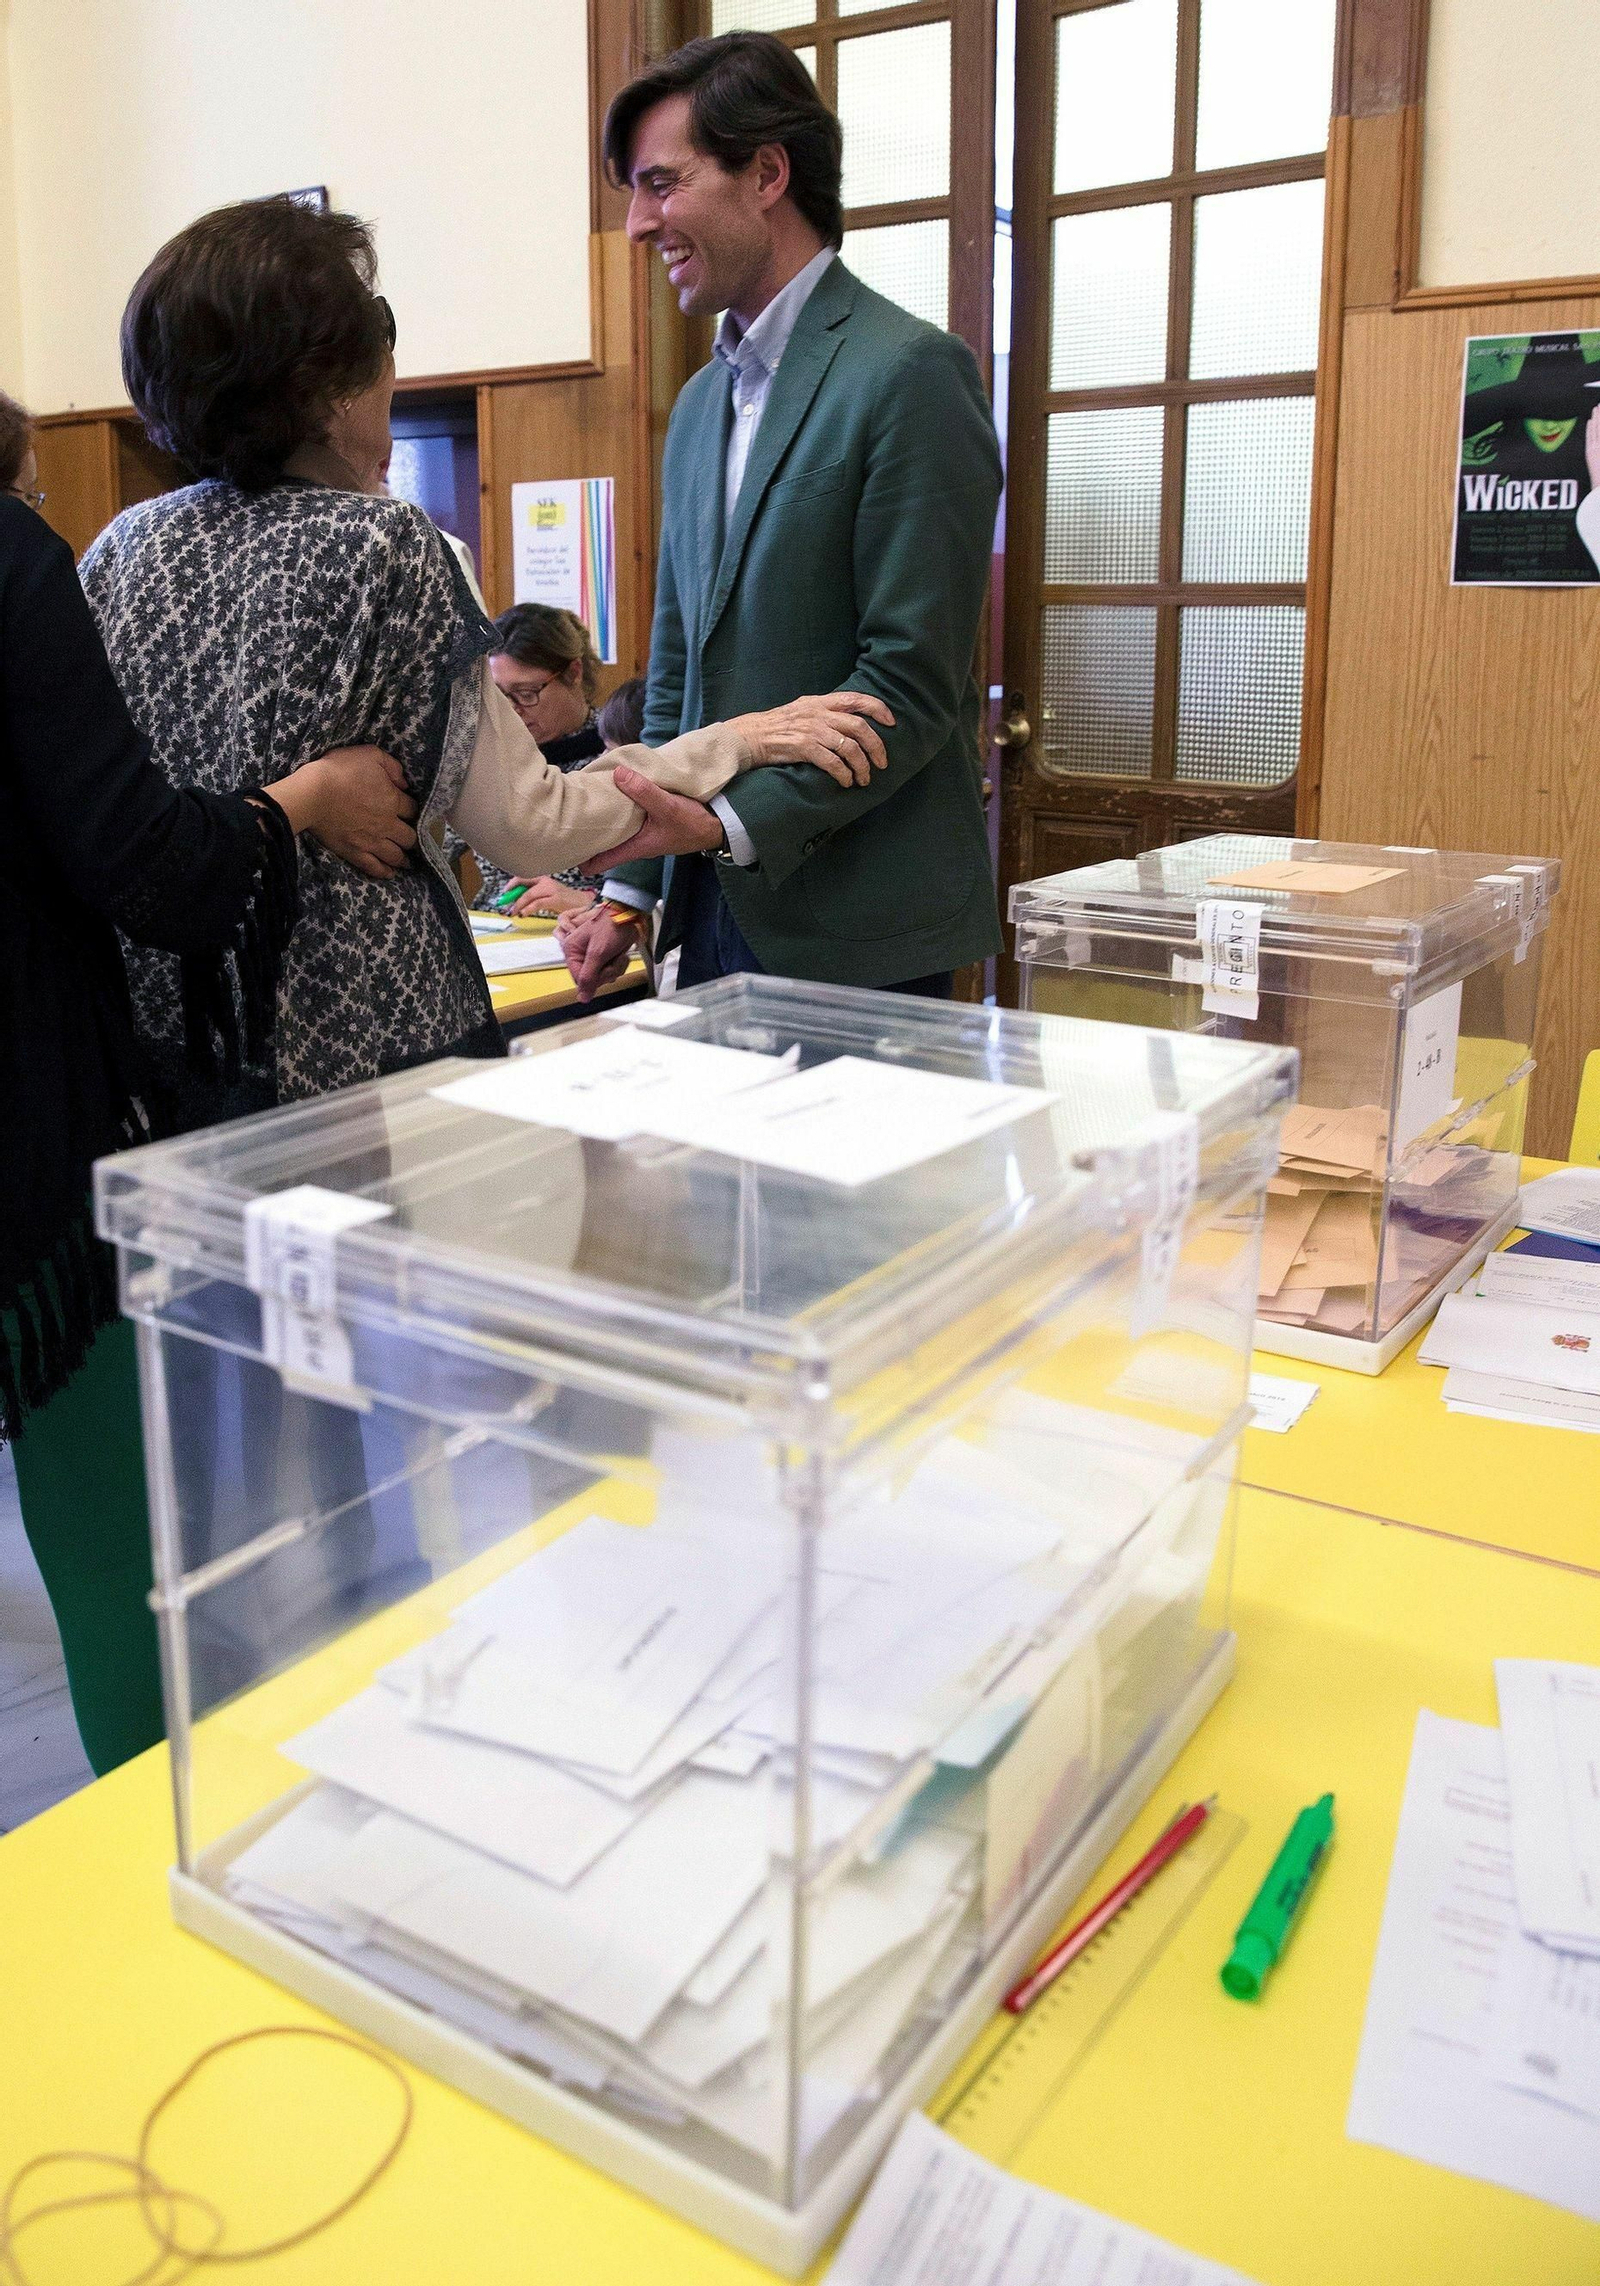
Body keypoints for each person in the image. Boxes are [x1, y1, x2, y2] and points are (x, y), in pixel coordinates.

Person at [83, 194, 894, 1130]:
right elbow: (532, 823)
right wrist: (735, 743)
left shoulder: (121, 547)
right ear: (330, 385)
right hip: (363, 1042)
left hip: (170, 1036)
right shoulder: (383, 543)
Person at [1, 391, 418, 1773]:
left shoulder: (119, 551)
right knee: (127, 1556)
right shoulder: (388, 550)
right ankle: (145, 1860)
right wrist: (300, 802)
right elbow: (147, 863)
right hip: (43, 1143)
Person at [559, 31, 1004, 1005]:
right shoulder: (696, 410)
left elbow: (909, 684)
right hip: (705, 908)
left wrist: (722, 821)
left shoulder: (907, 374)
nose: (637, 224)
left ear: (766, 173)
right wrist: (633, 882)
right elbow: (676, 673)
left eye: (660, 184)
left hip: (862, 925)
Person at [448, 604, 610, 920]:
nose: (511, 710)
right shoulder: (485, 755)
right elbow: (431, 845)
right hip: (498, 935)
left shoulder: (618, 747)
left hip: (586, 931)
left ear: (573, 673)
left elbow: (658, 888)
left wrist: (591, 902)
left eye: (526, 693)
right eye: (498, 695)